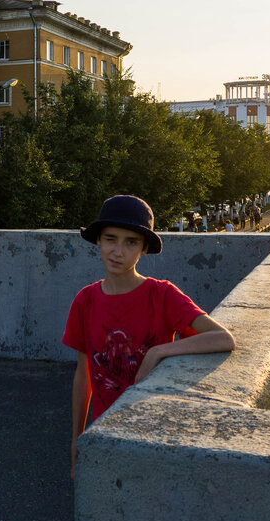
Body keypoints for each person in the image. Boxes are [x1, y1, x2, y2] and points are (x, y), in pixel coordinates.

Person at [63, 195, 235, 478]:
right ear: (98, 241)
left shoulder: (162, 295)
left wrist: (158, 352)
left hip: (154, 433)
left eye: (131, 242)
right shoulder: (85, 300)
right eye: (110, 239)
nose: (118, 251)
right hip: (105, 431)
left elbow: (223, 338)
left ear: (144, 249)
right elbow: (84, 377)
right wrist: (77, 439)